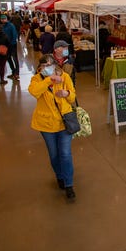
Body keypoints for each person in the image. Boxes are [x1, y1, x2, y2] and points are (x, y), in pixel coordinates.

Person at [28, 54, 77, 201]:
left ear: (55, 65)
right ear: (39, 68)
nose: (47, 68)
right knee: (54, 155)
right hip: (46, 125)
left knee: (65, 154)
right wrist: (49, 80)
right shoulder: (37, 79)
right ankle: (59, 176)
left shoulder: (65, 77)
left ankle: (69, 184)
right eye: (44, 66)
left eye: (50, 66)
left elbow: (72, 97)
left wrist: (66, 93)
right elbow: (34, 92)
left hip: (64, 122)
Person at [0, 14, 20, 81]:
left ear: (6, 19)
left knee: (15, 59)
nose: (3, 20)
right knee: (8, 59)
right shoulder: (2, 26)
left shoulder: (11, 25)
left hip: (12, 44)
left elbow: (14, 34)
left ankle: (17, 74)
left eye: (4, 19)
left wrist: (12, 42)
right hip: (5, 45)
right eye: (2, 19)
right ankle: (13, 72)